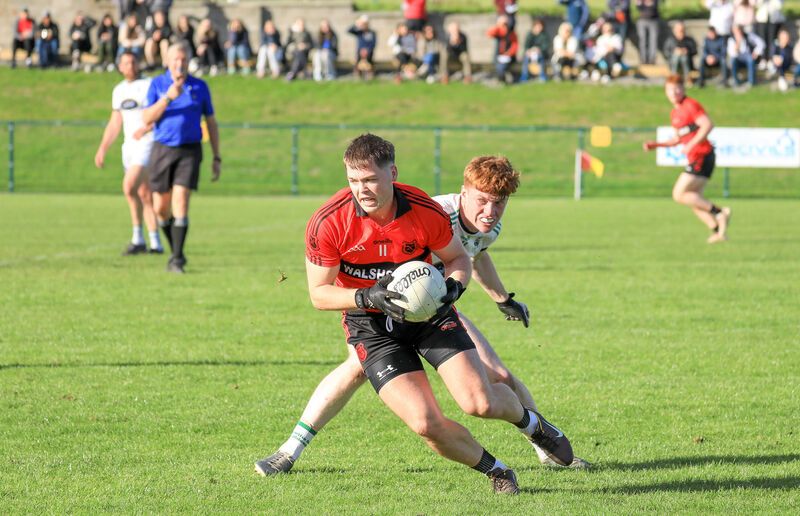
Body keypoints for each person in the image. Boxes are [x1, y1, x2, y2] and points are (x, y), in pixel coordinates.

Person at [255, 134, 576, 494]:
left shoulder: (424, 211)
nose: (362, 189)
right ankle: (497, 471)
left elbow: (460, 260)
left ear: (392, 173)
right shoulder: (328, 222)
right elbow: (318, 294)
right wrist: (367, 297)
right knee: (424, 423)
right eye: (353, 180)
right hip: (371, 324)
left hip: (430, 312)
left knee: (481, 401)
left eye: (371, 179)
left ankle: (533, 425)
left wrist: (455, 287)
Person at [141, 43, 221, 273]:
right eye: (175, 59)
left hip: (190, 150)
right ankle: (177, 251)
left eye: (184, 60)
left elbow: (212, 123)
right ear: (167, 61)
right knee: (160, 209)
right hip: (163, 149)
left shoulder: (200, 86)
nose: (180, 64)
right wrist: (167, 98)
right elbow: (146, 117)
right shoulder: (157, 84)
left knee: (181, 201)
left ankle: (176, 259)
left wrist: (217, 157)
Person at [643, 74, 731, 244]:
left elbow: (707, 125)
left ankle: (719, 212)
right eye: (670, 89)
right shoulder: (675, 112)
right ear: (666, 92)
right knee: (693, 198)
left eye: (677, 88)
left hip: (702, 154)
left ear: (683, 89)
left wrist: (691, 145)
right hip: (697, 156)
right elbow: (677, 139)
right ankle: (718, 231)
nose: (674, 92)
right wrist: (657, 145)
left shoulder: (690, 105)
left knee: (679, 194)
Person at [94, 51, 162, 255]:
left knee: (128, 186)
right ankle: (154, 243)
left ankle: (136, 238)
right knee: (144, 193)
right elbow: (116, 122)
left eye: (133, 62)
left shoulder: (149, 84)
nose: (130, 66)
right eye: (126, 63)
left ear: (138, 64)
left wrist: (147, 128)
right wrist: (102, 148)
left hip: (147, 144)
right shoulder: (119, 90)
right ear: (120, 67)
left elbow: (161, 112)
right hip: (129, 147)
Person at [486, 15, 518, 83]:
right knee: (498, 64)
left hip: (508, 56)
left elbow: (515, 45)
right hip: (498, 55)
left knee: (502, 66)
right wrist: (498, 25)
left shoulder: (512, 33)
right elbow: (488, 34)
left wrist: (509, 53)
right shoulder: (498, 30)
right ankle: (502, 78)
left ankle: (502, 79)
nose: (504, 26)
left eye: (505, 24)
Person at [347, 15, 377, 81]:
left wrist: (367, 49)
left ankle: (370, 72)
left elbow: (373, 43)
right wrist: (356, 24)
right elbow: (349, 30)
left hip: (369, 51)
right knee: (358, 58)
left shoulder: (372, 32)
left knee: (368, 57)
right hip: (359, 51)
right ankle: (357, 73)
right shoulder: (359, 32)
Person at [521, 18, 549, 83]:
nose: (539, 28)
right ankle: (525, 75)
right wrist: (529, 51)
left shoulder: (544, 35)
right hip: (530, 53)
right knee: (526, 59)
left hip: (541, 53)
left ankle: (542, 75)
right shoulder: (530, 34)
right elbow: (526, 46)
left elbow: (545, 46)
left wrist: (539, 50)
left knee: (541, 58)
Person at [635, 0, 660, 64]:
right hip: (642, 20)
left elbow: (653, 6)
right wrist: (645, 4)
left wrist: (644, 4)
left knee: (653, 40)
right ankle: (643, 59)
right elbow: (638, 6)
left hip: (653, 20)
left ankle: (652, 59)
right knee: (642, 40)